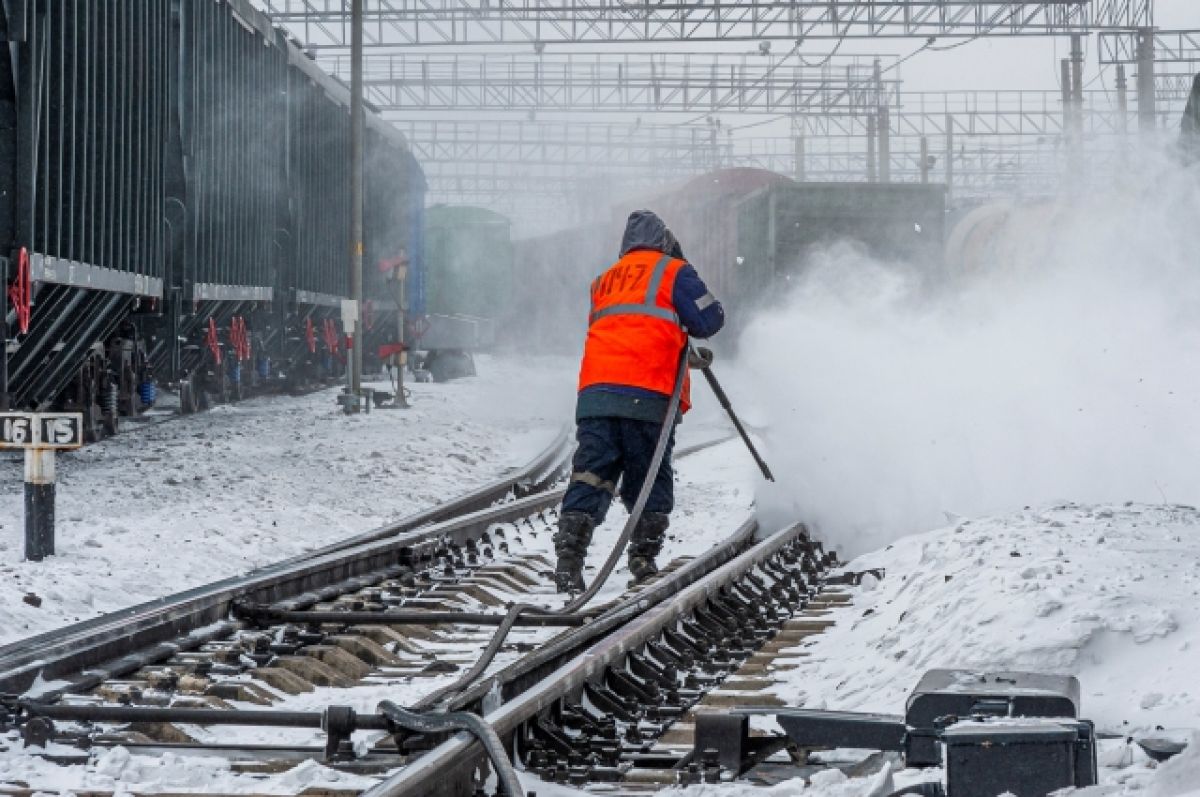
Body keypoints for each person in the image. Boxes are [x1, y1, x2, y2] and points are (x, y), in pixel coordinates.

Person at [553, 209, 725, 593]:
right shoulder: (672, 271)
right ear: (665, 242)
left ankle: (568, 561)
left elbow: (626, 327)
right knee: (650, 476)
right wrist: (683, 264)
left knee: (590, 474)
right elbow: (711, 319)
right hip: (648, 392)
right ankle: (643, 560)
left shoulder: (604, 281)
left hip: (597, 394)